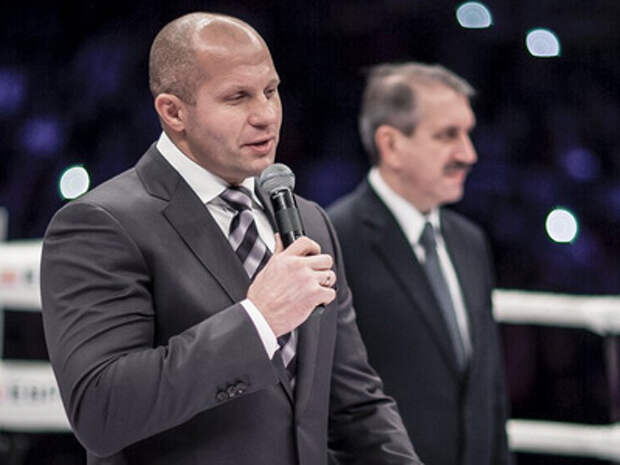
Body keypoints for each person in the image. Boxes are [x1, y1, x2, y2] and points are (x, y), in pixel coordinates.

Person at [40, 14, 421, 465]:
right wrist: (259, 319)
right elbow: (101, 412)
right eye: (237, 97)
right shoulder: (100, 223)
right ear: (173, 112)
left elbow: (356, 407)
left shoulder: (310, 222)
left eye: (271, 91)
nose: (266, 115)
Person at [328, 63, 512, 465]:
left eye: (467, 133)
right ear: (392, 145)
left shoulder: (470, 241)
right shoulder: (335, 239)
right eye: (448, 135)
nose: (468, 154)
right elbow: (326, 400)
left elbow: (489, 390)